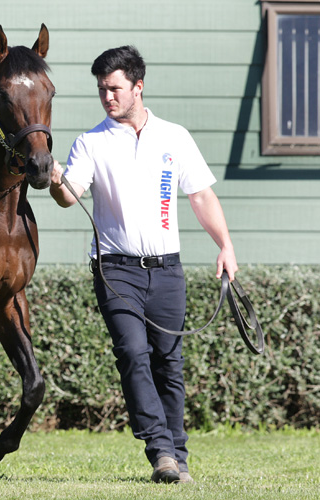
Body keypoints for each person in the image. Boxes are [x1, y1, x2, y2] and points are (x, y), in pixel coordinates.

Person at [49, 45, 238, 484]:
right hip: (115, 272)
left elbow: (202, 197)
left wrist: (225, 245)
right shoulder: (90, 142)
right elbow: (67, 196)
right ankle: (161, 454)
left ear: (138, 86)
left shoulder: (175, 137)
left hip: (168, 270)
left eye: (114, 88)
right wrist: (55, 178)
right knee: (133, 354)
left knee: (169, 364)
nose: (107, 97)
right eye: (101, 90)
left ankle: (179, 457)